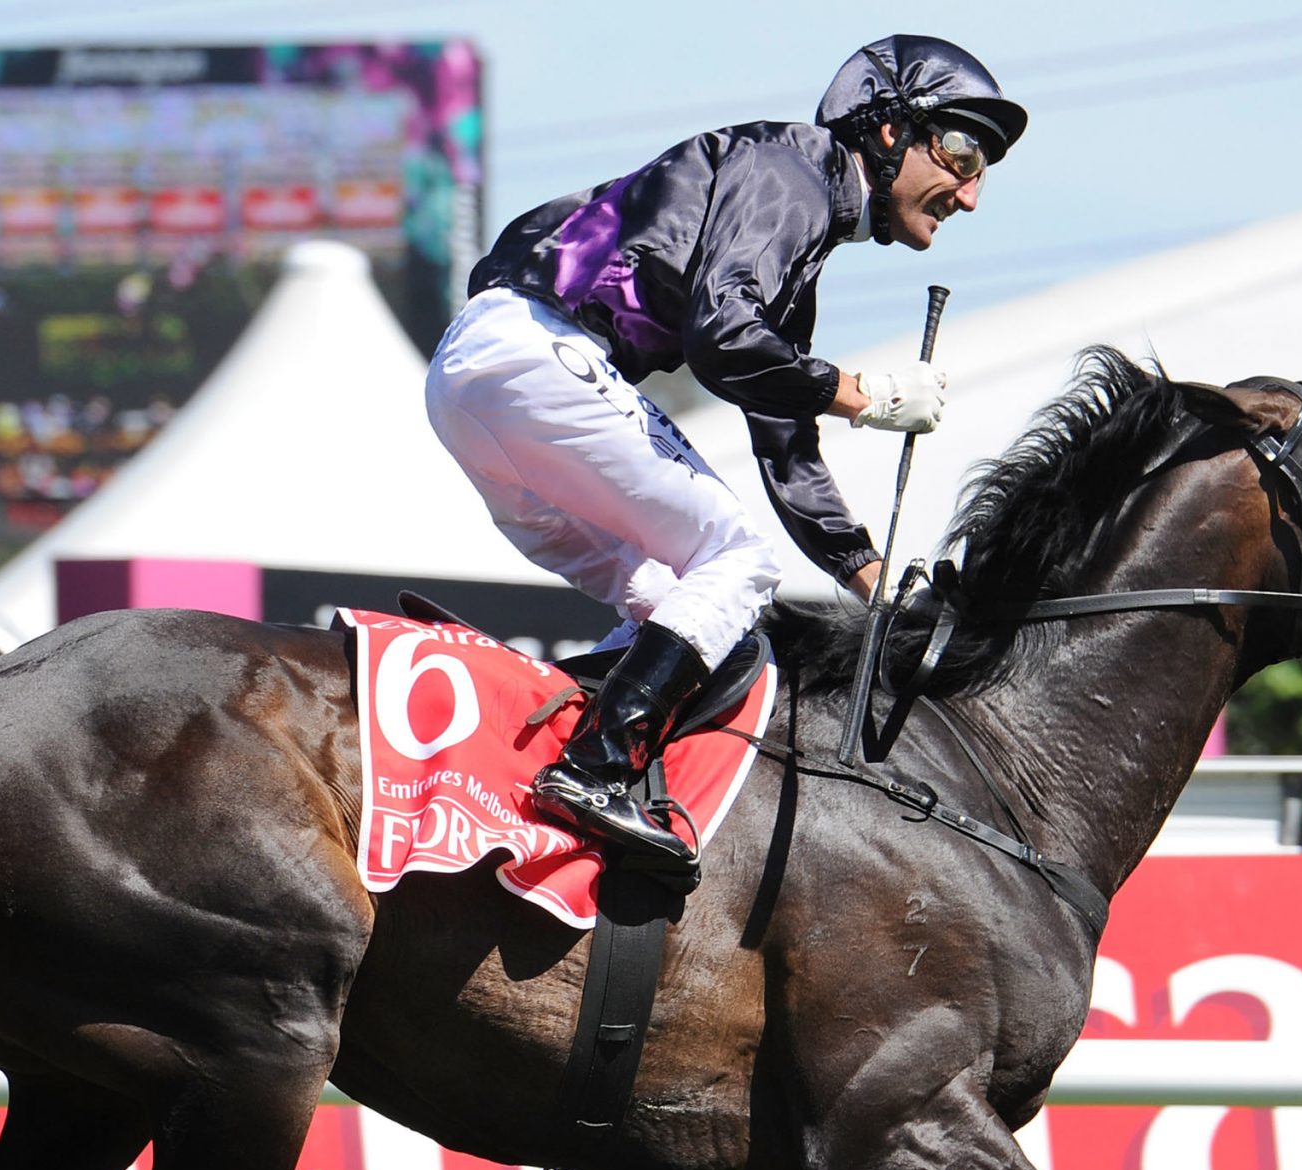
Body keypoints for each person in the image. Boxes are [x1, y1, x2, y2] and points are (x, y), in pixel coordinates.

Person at [425, 35, 1027, 883]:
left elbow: (784, 440)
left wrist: (876, 583)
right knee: (739, 561)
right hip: (536, 357)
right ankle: (596, 770)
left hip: (478, 382)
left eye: (986, 167)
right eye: (962, 152)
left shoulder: (798, 227)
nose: (971, 192)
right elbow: (724, 337)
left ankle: (525, 776)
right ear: (888, 132)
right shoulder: (793, 171)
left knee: (675, 604)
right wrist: (868, 394)